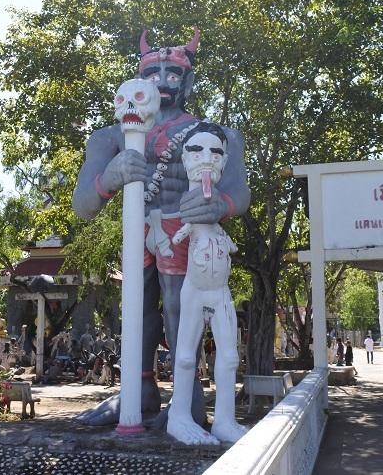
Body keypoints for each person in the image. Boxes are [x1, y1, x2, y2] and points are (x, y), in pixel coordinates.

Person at [72, 28, 250, 427]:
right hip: (136, 230)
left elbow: (239, 192)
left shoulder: (215, 135)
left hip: (183, 230)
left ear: (188, 80)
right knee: (134, 308)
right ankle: (138, 391)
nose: (163, 83)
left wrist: (217, 204)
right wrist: (109, 178)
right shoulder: (110, 137)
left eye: (173, 74)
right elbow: (83, 205)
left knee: (178, 306)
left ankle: (188, 399)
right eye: (152, 74)